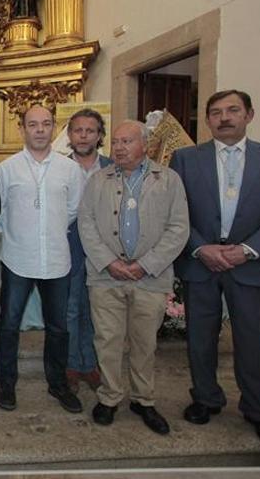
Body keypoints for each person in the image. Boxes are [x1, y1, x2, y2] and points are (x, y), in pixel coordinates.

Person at [170, 90, 260, 450]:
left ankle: (259, 411)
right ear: (208, 119)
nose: (224, 118)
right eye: (215, 112)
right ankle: (206, 398)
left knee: (252, 343)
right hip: (202, 263)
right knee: (200, 340)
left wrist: (248, 249)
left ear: (249, 114)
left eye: (232, 110)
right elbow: (174, 210)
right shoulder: (185, 159)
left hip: (252, 264)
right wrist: (200, 247)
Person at [78, 120, 188, 434]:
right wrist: (109, 261)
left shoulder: (168, 180)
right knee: (108, 340)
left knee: (144, 342)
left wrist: (147, 264)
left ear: (145, 145)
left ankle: (143, 400)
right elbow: (86, 224)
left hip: (149, 278)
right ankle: (110, 397)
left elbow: (179, 228)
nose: (120, 148)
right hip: (106, 276)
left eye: (127, 141)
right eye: (115, 142)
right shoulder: (98, 180)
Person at [0, 104, 84, 414]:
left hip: (57, 260)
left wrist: (48, 230)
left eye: (46, 124)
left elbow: (73, 209)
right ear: (22, 128)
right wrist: (21, 234)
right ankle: (6, 384)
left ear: (54, 127)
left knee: (58, 327)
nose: (40, 130)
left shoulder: (70, 169)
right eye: (33, 124)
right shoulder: (6, 169)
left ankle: (57, 383)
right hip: (18, 257)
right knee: (8, 324)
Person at [64, 109, 112, 393]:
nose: (83, 136)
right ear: (69, 135)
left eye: (90, 131)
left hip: (104, 249)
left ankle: (91, 364)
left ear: (100, 135)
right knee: (69, 308)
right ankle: (71, 364)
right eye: (78, 130)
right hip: (69, 245)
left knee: (98, 309)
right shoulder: (57, 167)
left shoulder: (112, 167)